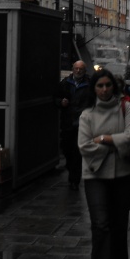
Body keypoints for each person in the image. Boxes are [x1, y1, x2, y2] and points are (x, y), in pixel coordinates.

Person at [77, 68, 130, 259]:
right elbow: (84, 146)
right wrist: (116, 142)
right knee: (101, 225)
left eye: (108, 85)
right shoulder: (87, 114)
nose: (104, 90)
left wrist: (103, 139)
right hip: (95, 177)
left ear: (114, 86)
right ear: (93, 89)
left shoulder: (126, 108)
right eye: (100, 86)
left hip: (124, 175)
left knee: (119, 225)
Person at [56, 60, 94, 190]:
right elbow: (55, 98)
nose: (78, 71)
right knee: (67, 149)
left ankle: (74, 179)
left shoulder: (89, 85)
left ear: (84, 71)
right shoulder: (65, 83)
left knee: (77, 151)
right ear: (73, 69)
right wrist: (61, 102)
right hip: (67, 122)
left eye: (81, 69)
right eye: (76, 69)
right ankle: (71, 169)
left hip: (81, 124)